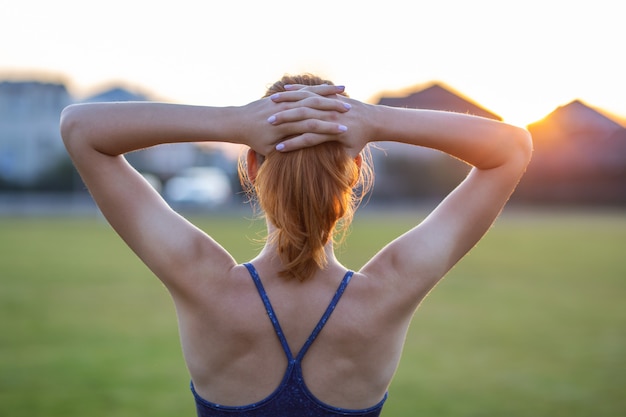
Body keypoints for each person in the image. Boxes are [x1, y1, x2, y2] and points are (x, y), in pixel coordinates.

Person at [60, 74, 532, 416]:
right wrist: (372, 119)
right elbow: (511, 148)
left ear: (249, 168)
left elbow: (81, 129)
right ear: (354, 173)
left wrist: (234, 122)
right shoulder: (387, 291)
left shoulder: (202, 280)